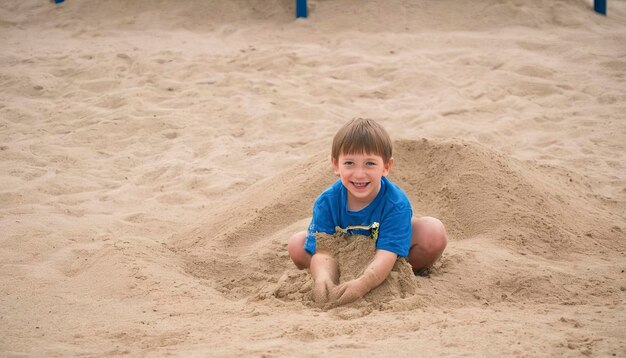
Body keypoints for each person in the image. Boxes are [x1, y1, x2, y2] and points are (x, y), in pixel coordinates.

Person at [287, 118, 448, 307]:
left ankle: (394, 272)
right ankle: (338, 279)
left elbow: (387, 253)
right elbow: (324, 251)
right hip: (345, 257)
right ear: (336, 165)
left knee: (433, 233)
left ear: (386, 167)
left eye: (370, 163)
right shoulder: (327, 201)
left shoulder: (396, 203)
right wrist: (323, 279)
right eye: (349, 163)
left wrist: (364, 283)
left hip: (388, 253)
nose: (359, 174)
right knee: (297, 245)